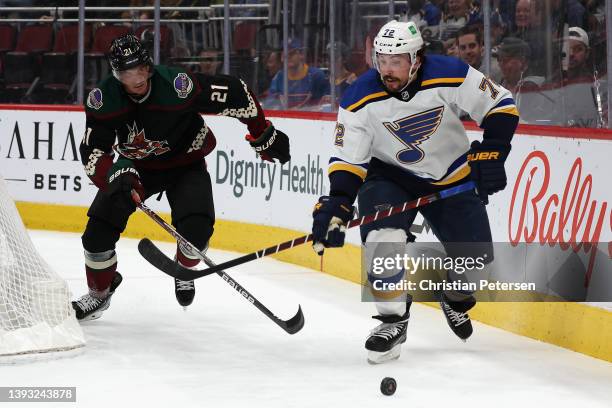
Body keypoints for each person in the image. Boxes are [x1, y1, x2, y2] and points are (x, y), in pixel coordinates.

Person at [311, 21, 518, 364]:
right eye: (381, 60)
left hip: (450, 173)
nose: (387, 70)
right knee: (383, 239)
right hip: (389, 176)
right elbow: (349, 159)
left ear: (417, 59)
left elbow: (501, 104)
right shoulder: (359, 96)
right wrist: (339, 201)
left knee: (477, 261)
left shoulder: (449, 72)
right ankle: (392, 320)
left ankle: (453, 295)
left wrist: (494, 149)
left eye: (396, 61)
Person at [73, 34, 290, 321]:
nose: (136, 78)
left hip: (184, 162)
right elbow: (93, 152)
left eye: (140, 69)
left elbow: (235, 91)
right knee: (96, 236)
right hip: (136, 169)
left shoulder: (177, 86)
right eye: (126, 72)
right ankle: (100, 294)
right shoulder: (103, 101)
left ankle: (183, 268)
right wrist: (115, 177)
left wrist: (262, 133)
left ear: (149, 66)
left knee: (197, 233)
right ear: (116, 74)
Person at [264, 38, 330, 110]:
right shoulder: (279, 77)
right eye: (284, 53)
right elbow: (269, 105)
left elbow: (326, 104)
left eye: (291, 53)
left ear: (301, 55)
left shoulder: (316, 76)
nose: (287, 56)